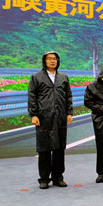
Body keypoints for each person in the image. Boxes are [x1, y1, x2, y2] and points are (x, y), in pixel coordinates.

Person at [28, 51, 73, 189]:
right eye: (49, 59)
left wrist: (69, 112)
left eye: (55, 59)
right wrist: (33, 115)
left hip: (60, 117)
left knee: (59, 148)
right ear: (44, 61)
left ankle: (58, 177)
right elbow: (32, 96)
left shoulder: (63, 77)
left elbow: (68, 96)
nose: (52, 61)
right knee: (44, 149)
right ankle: (44, 178)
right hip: (43, 117)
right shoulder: (36, 77)